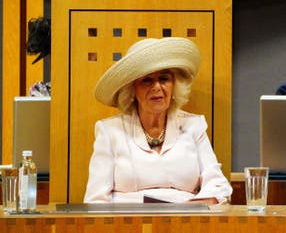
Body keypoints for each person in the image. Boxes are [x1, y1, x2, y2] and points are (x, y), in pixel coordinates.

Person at [84, 37, 232, 204]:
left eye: (164, 79)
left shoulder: (193, 126)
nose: (156, 87)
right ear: (132, 89)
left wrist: (187, 211)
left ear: (174, 85)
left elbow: (218, 186)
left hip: (186, 223)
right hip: (128, 224)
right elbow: (96, 200)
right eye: (146, 80)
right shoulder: (110, 131)